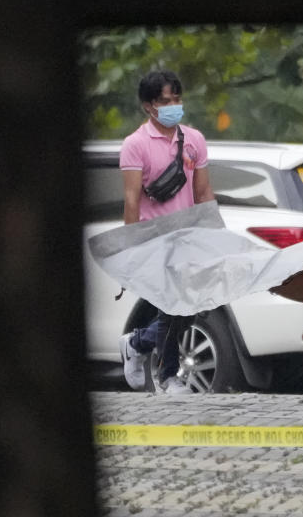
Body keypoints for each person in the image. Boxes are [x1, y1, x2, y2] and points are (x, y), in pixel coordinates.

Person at [117, 70, 215, 395]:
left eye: (177, 99)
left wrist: (216, 235)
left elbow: (203, 192)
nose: (174, 106)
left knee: (193, 308)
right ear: (149, 106)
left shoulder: (194, 140)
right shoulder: (135, 145)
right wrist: (131, 247)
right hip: (155, 239)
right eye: (165, 101)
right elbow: (132, 199)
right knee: (172, 307)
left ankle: (137, 343)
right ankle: (168, 377)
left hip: (190, 236)